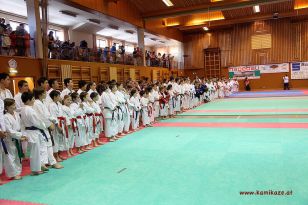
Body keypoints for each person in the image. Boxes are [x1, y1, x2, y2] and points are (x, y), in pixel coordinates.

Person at [33, 88, 63, 169]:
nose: (46, 94)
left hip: (45, 126)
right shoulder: (37, 103)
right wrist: (49, 125)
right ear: (40, 94)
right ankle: (46, 163)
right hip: (41, 126)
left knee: (48, 144)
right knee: (45, 145)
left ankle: (49, 162)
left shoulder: (42, 102)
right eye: (44, 93)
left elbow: (48, 115)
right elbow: (42, 117)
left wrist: (54, 122)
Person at [20, 92, 46, 175]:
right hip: (33, 132)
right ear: (28, 100)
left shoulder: (23, 109)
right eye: (33, 99)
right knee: (35, 152)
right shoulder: (30, 110)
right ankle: (35, 170)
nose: (34, 101)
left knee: (34, 151)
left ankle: (38, 167)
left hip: (29, 132)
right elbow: (37, 122)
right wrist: (44, 126)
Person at [3, 99, 27, 180]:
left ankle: (17, 172)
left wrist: (23, 135)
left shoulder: (16, 114)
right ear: (7, 107)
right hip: (10, 139)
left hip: (18, 137)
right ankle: (13, 174)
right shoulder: (5, 117)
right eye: (12, 105)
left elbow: (21, 125)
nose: (14, 106)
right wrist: (20, 136)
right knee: (11, 157)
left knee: (18, 155)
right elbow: (9, 130)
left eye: (14, 105)